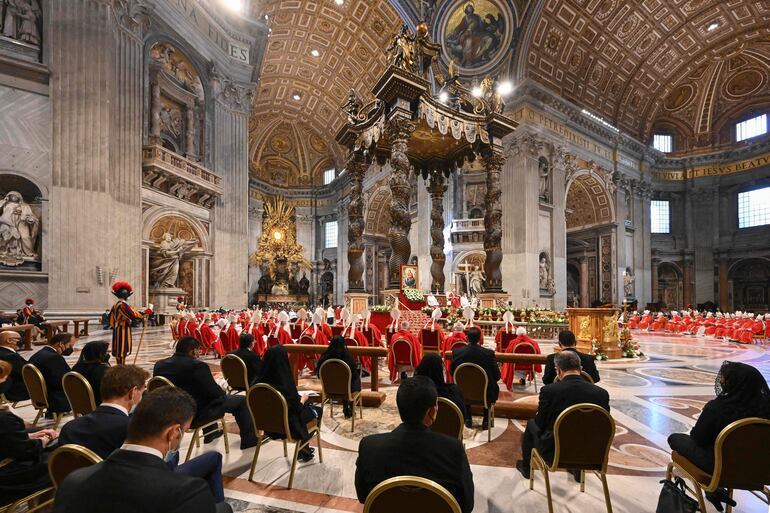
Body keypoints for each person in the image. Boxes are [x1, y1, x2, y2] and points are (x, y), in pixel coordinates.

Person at [58, 365, 227, 504]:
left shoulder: (69, 429)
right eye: (142, 390)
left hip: (88, 492)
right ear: (133, 392)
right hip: (140, 491)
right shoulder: (133, 427)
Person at [355, 376, 474, 513]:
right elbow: (466, 505)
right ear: (432, 411)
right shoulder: (453, 450)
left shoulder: (369, 447)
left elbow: (363, 496)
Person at [668, 361, 770, 511]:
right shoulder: (765, 411)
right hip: (760, 470)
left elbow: (698, 439)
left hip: (720, 468)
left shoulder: (718, 409)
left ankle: (712, 489)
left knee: (675, 439)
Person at [516, 350, 610, 481]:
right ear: (581, 368)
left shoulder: (549, 391)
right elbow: (603, 426)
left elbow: (540, 423)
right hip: (592, 452)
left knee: (532, 424)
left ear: (558, 370)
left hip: (556, 452)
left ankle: (526, 466)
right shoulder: (602, 393)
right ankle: (577, 468)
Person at [153, 337, 258, 450]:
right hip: (193, 416)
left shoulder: (159, 365)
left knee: (202, 395)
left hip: (169, 412)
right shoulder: (197, 366)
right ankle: (250, 441)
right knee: (240, 401)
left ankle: (211, 433)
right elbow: (216, 394)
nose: (199, 353)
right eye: (199, 350)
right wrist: (222, 388)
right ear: (193, 350)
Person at [0, 360, 59, 506]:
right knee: (58, 460)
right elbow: (25, 451)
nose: (6, 380)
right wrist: (43, 440)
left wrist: (28, 436)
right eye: (3, 378)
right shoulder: (5, 419)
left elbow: (6, 439)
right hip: (4, 481)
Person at [256, 345, 322, 462]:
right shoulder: (285, 384)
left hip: (267, 425)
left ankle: (304, 449)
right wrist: (303, 400)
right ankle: (303, 448)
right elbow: (297, 409)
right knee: (317, 410)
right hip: (287, 426)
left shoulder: (257, 384)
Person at [450, 327, 499, 429]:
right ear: (480, 339)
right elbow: (497, 376)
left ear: (466, 338)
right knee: (489, 384)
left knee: (465, 384)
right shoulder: (488, 354)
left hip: (462, 392)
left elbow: (452, 372)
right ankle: (486, 419)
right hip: (484, 392)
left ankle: (468, 418)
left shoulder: (456, 353)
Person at [29, 332, 76, 414]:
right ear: (61, 344)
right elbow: (64, 381)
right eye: (70, 346)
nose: (71, 349)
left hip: (40, 396)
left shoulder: (39, 353)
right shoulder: (54, 358)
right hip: (55, 399)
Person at [317, 335, 361, 418]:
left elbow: (319, 374)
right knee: (354, 379)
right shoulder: (347, 358)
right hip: (347, 390)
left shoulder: (324, 357)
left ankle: (346, 406)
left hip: (329, 390)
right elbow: (354, 374)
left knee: (343, 381)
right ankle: (350, 407)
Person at [72, 340, 111, 405]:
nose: (107, 354)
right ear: (99, 354)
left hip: (79, 405)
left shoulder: (76, 367)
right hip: (100, 406)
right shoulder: (104, 370)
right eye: (106, 352)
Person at [0, 331, 29, 403]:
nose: (21, 341)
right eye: (18, 339)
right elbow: (25, 373)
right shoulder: (10, 356)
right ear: (9, 340)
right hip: (14, 391)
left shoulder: (4, 353)